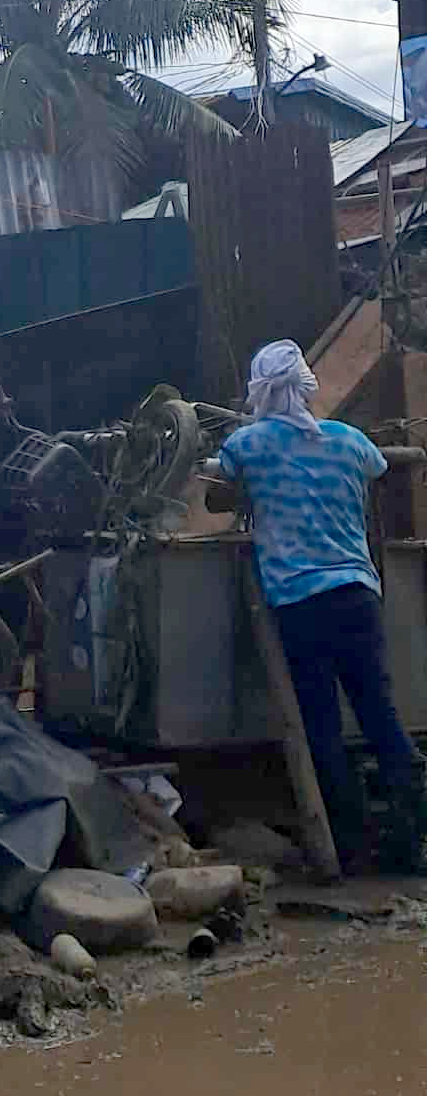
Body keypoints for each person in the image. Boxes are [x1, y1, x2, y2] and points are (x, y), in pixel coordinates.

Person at [219, 339, 425, 873]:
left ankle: (348, 847)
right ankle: (412, 838)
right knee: (380, 713)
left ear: (259, 392)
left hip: (298, 603)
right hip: (358, 594)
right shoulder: (349, 440)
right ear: (309, 387)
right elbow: (382, 466)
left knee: (321, 725)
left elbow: (220, 474)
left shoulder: (249, 444)